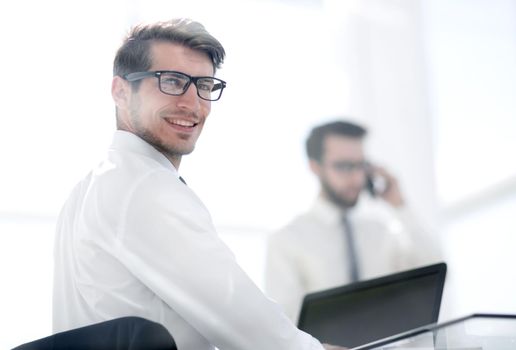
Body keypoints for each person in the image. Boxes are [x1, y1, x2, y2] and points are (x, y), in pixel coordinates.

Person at [52, 19, 346, 350]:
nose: (193, 104)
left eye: (204, 85)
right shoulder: (146, 188)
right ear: (121, 91)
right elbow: (254, 332)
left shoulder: (88, 190)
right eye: (173, 81)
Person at [265, 120, 441, 322]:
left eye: (361, 166)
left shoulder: (380, 231)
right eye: (344, 166)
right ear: (315, 167)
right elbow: (285, 323)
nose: (357, 178)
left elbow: (434, 273)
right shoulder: (286, 239)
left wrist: (400, 206)